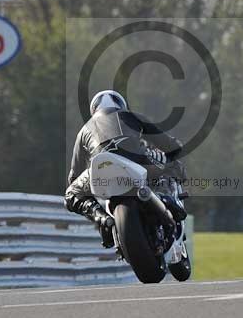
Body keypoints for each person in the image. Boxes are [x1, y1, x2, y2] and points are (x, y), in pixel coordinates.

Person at [65, 90, 186, 247]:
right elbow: (170, 145)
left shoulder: (84, 130)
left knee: (71, 193)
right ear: (121, 105)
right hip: (136, 159)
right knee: (173, 165)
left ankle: (100, 217)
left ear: (93, 110)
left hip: (102, 166)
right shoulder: (132, 116)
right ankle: (167, 198)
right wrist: (173, 155)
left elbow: (74, 176)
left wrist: (86, 189)